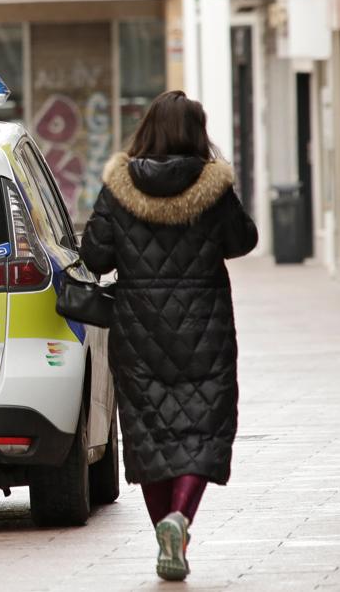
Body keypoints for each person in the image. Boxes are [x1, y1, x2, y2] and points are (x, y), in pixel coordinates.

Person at [80, 90, 258, 581]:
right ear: (197, 132)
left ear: (148, 129)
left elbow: (96, 257)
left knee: (148, 433)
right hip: (206, 329)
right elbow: (243, 242)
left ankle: (165, 529)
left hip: (138, 331)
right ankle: (181, 518)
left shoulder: (118, 188)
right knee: (206, 427)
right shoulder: (212, 186)